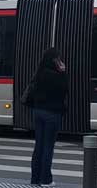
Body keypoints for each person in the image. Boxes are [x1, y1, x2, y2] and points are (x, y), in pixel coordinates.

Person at [26, 47, 67, 186]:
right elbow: (64, 90)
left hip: (38, 112)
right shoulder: (56, 75)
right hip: (52, 113)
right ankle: (46, 179)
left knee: (39, 146)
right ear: (55, 59)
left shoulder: (40, 73)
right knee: (48, 147)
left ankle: (35, 179)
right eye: (58, 58)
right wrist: (63, 72)